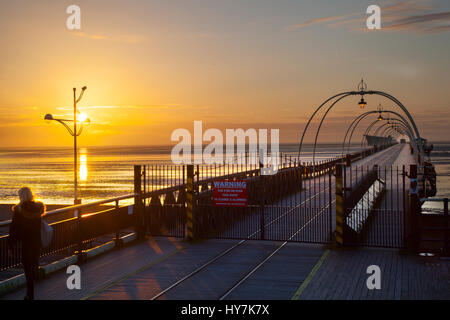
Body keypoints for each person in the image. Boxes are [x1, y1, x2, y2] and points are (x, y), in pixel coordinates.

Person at [8, 187, 46, 300]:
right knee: (33, 267)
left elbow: (13, 229)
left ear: (21, 196)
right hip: (36, 242)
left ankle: (30, 295)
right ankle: (30, 294)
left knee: (27, 269)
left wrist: (11, 246)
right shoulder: (38, 208)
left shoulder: (19, 210)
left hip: (25, 243)